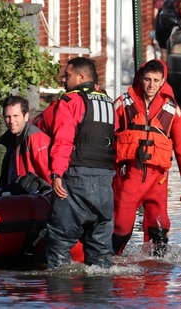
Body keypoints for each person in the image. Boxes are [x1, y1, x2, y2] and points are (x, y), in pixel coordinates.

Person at [112, 59, 181, 257]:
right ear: (140, 79)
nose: (151, 85)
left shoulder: (172, 110)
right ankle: (111, 271)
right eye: (147, 79)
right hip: (128, 177)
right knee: (120, 228)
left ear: (163, 81)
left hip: (157, 180)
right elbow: (106, 139)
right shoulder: (122, 104)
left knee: (158, 229)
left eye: (156, 80)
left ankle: (156, 280)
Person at [45, 57, 117, 269]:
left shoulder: (70, 102)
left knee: (59, 239)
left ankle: (59, 295)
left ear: (81, 77)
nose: (63, 79)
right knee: (101, 249)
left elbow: (63, 140)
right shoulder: (108, 103)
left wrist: (57, 174)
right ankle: (100, 296)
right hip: (105, 184)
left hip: (77, 180)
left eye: (67, 75)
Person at [0, 95, 51, 190]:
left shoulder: (36, 138)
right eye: (8, 117)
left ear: (26, 117)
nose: (11, 121)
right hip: (14, 193)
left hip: (34, 196)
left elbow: (49, 176)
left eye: (16, 116)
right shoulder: (11, 140)